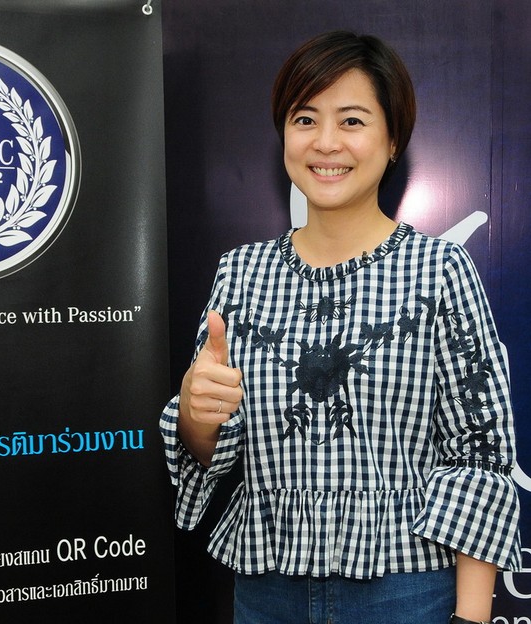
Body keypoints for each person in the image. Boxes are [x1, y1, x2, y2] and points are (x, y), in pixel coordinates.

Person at [160, 31, 521, 624]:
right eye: (305, 119)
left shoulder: (439, 270)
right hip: (266, 590)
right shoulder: (241, 272)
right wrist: (198, 416)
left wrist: (472, 616)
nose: (326, 142)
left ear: (393, 139)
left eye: (352, 120)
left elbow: (479, 451)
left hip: (406, 591)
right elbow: (211, 448)